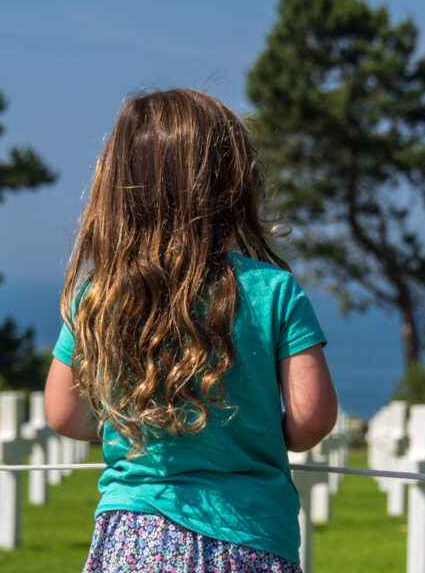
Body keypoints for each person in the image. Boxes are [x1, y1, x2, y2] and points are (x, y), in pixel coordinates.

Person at [44, 88, 338, 573]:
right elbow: (311, 418)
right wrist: (253, 433)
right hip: (248, 537)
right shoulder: (274, 291)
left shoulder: (95, 294)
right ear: (231, 184)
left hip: (133, 540)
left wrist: (130, 422)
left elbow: (63, 412)